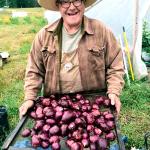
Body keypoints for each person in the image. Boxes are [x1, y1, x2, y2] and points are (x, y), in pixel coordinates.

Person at [19, 0, 124, 119]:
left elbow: (115, 64)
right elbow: (34, 71)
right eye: (65, 2)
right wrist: (29, 98)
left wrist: (113, 91)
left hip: (92, 106)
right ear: (58, 5)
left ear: (83, 2)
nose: (72, 7)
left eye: (76, 0)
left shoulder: (101, 30)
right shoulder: (44, 36)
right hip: (56, 109)